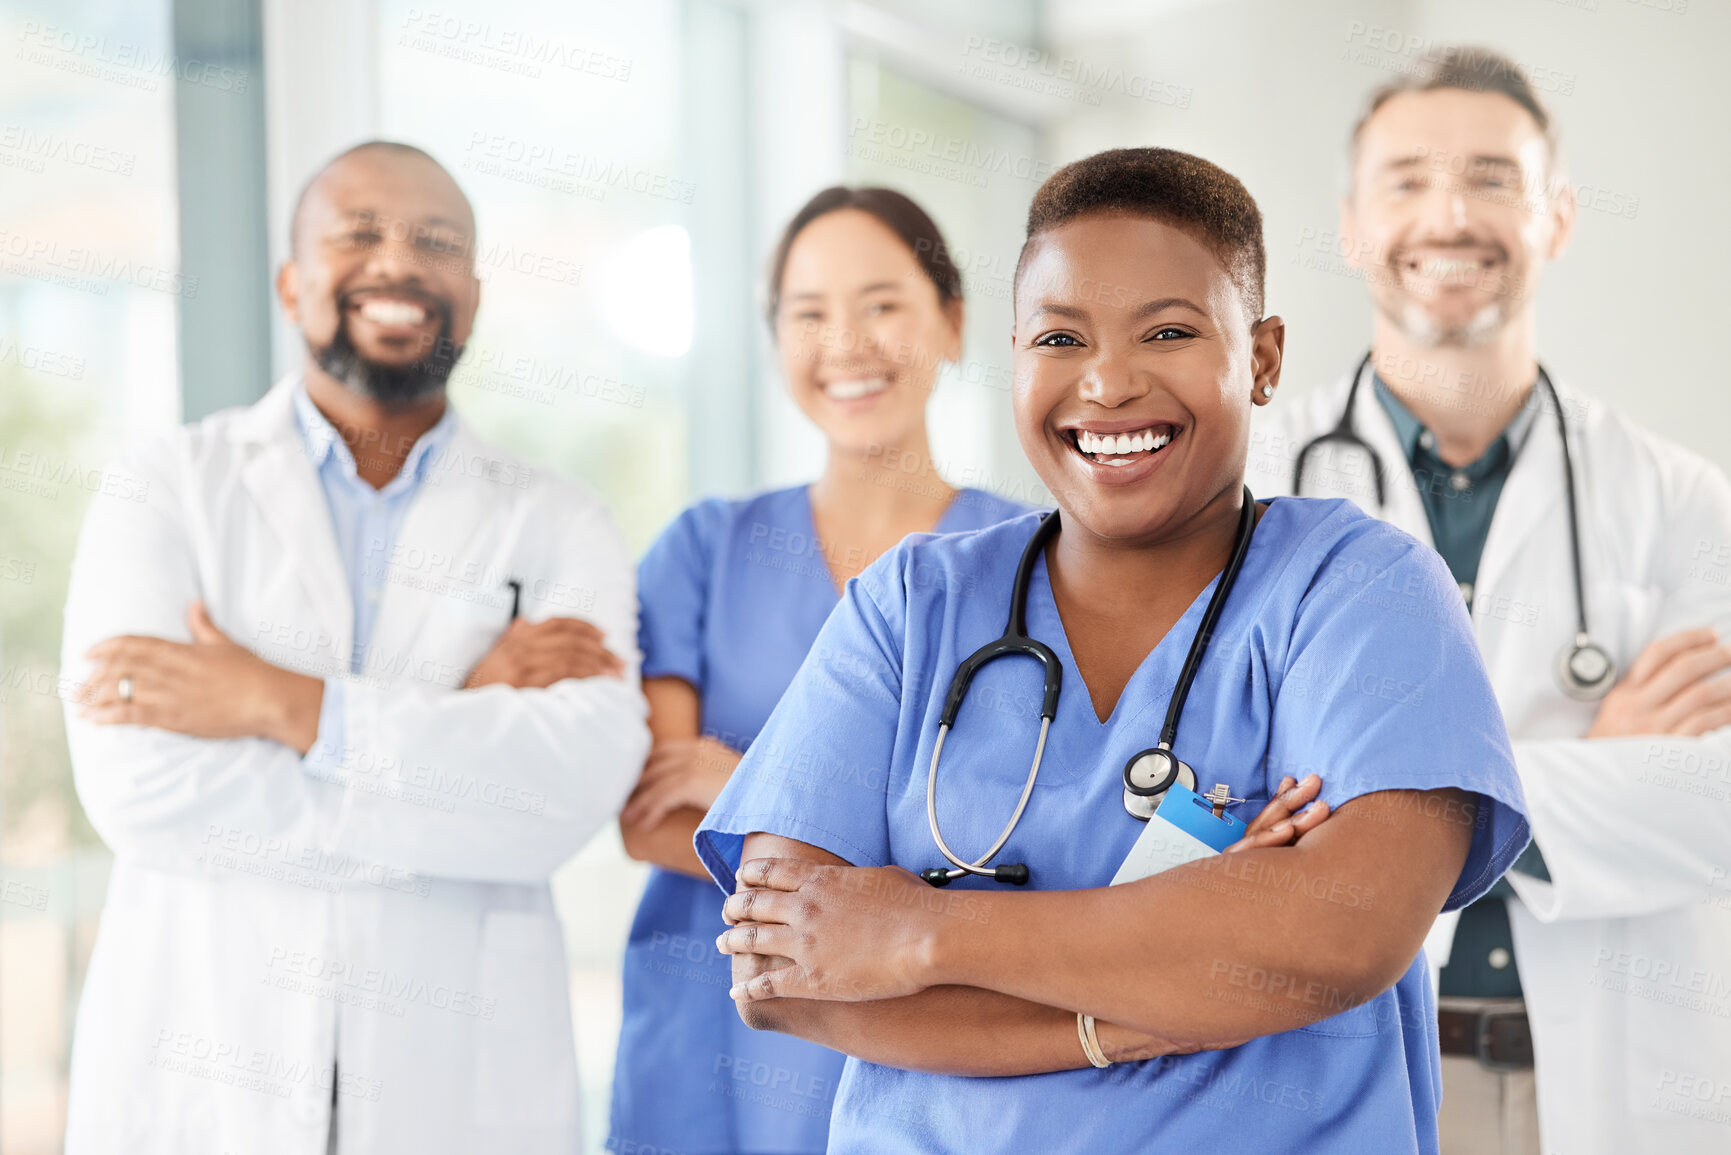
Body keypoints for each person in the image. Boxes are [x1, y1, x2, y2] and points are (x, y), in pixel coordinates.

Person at [679, 147, 1531, 1154]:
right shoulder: (911, 607)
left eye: (1168, 331)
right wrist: (1145, 1002)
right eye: (1059, 336)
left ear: (1261, 356)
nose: (1109, 381)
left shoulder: (1359, 591)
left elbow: (1342, 932)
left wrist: (916, 932)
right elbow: (781, 975)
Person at [59, 141, 649, 1154]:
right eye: (359, 234)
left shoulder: (562, 521)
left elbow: (565, 797)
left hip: (455, 1086)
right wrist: (456, 723)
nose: (399, 263)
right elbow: (137, 791)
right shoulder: (162, 488)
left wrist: (278, 706)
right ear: (294, 284)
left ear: (472, 294)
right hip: (203, 1066)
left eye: (437, 242)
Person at [1246, 48, 1731, 1155]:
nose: (1449, 214)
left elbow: (1718, 807)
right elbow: (1217, 802)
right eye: (1407, 179)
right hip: (1342, 1071)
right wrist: (1592, 761)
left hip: (1603, 1089)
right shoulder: (1258, 491)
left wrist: (1386, 802)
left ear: (1558, 218)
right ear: (1352, 223)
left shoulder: (1680, 500)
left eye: (1493, 179)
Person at [608, 186, 1029, 1155]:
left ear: (954, 323)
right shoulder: (706, 550)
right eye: (809, 314)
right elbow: (656, 815)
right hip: (704, 1049)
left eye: (882, 304)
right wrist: (892, 845)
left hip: (928, 1043)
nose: (846, 343)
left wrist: (744, 784)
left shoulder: (1028, 562)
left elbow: (1023, 851)